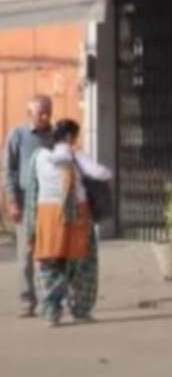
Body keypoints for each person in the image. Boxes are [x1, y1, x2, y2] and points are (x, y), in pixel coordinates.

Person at [27, 118, 110, 326]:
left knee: (49, 264)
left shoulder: (38, 157)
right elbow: (101, 173)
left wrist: (31, 227)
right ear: (70, 137)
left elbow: (32, 192)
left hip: (47, 216)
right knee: (82, 266)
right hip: (77, 217)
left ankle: (51, 312)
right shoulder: (77, 155)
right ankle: (80, 310)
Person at [5, 95, 54, 318]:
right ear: (30, 114)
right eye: (41, 112)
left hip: (49, 203)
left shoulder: (54, 137)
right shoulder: (17, 135)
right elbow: (8, 171)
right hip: (25, 201)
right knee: (26, 255)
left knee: (49, 254)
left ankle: (50, 299)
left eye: (48, 111)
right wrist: (12, 201)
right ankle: (27, 300)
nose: (45, 116)